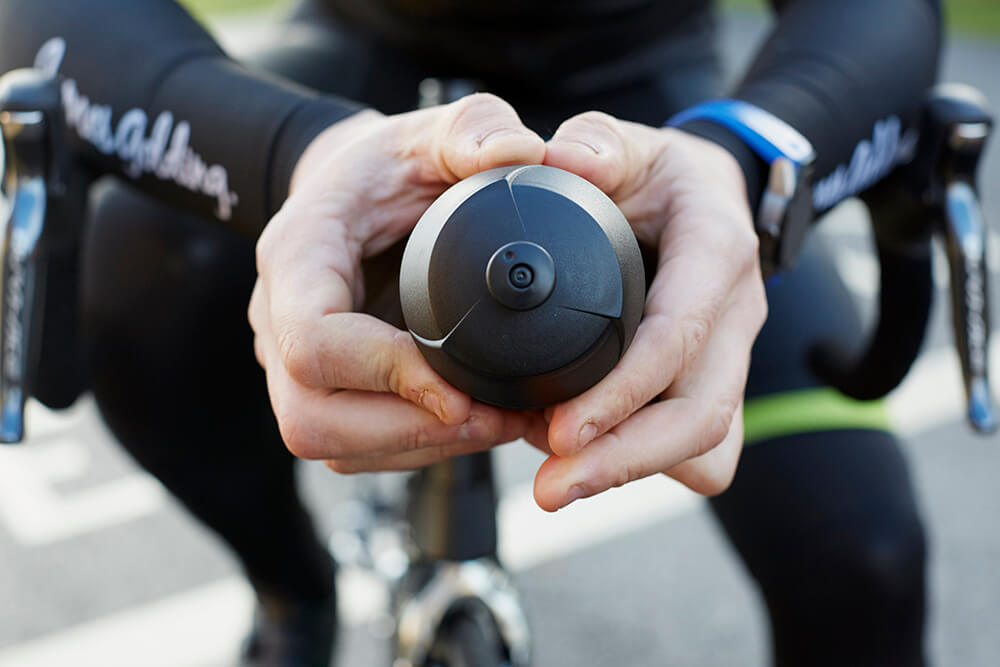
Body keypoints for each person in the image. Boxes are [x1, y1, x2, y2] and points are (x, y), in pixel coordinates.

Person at [0, 0, 938, 665]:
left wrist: (741, 157)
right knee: (134, 289)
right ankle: (292, 588)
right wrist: (295, 150)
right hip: (356, 72)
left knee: (864, 562)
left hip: (653, 108)